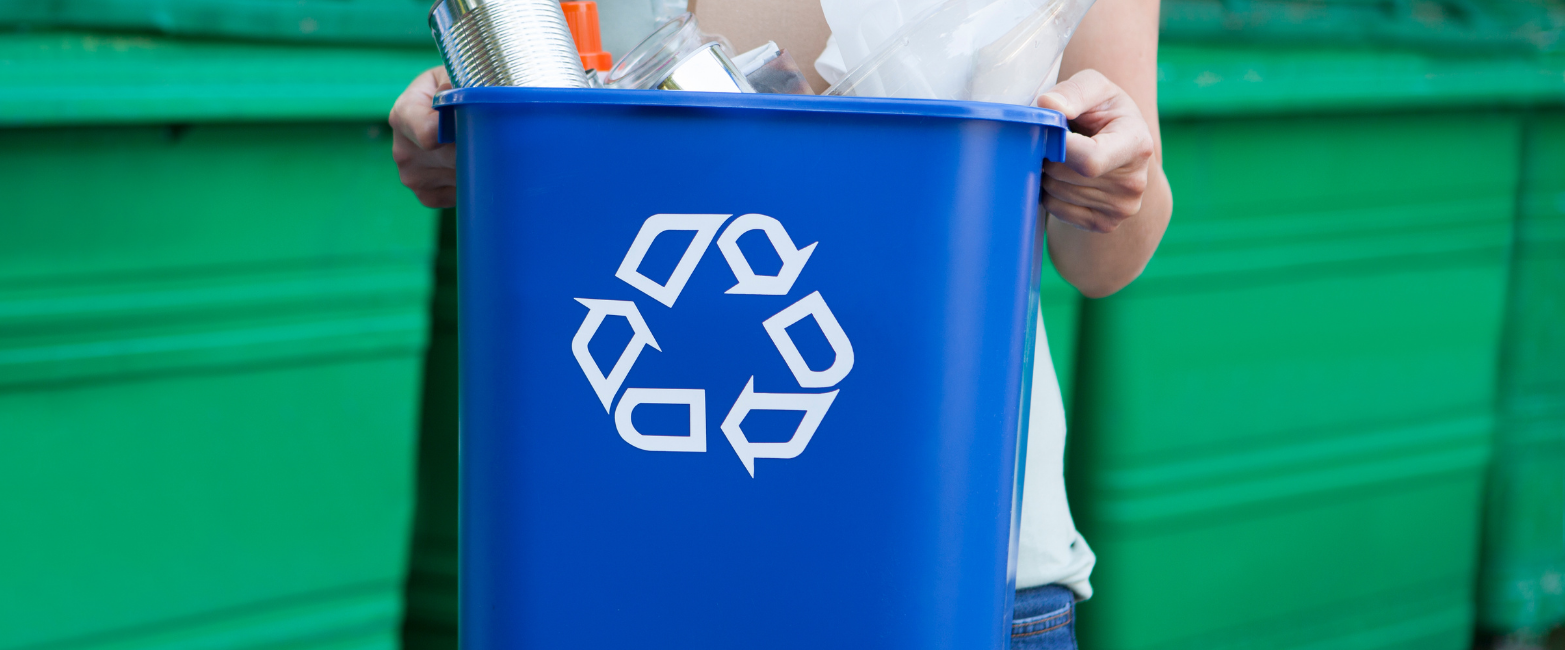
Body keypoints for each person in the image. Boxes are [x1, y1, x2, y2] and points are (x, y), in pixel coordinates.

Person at [390, 0, 1169, 646]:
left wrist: (1114, 173)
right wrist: (471, 127)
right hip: (597, 564)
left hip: (931, 567)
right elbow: (554, 107)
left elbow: (1107, 259)